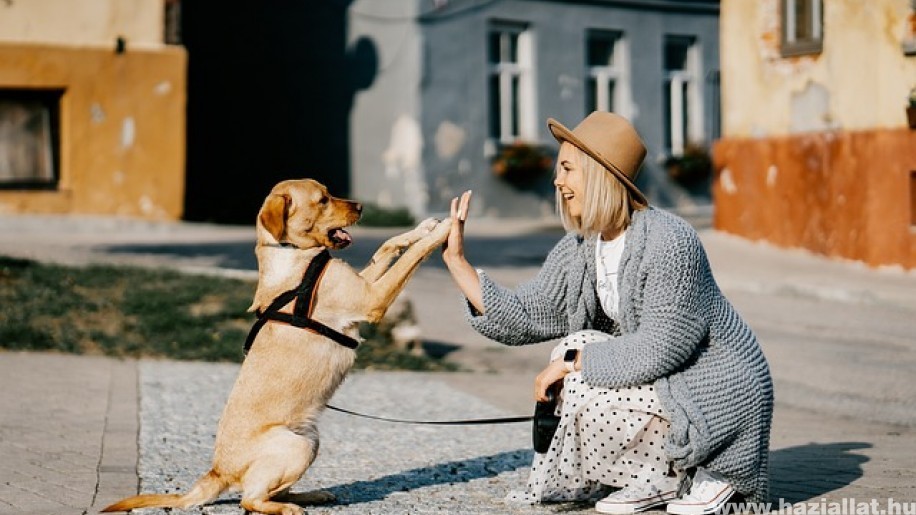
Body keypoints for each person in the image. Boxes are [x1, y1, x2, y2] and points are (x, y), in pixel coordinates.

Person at [441, 112, 773, 515]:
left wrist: (570, 365)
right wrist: (458, 263)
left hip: (717, 389)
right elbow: (528, 313)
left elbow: (660, 348)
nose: (557, 181)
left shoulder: (670, 241)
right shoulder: (583, 246)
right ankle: (654, 479)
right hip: (668, 382)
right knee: (575, 346)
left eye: (567, 169)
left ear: (599, 173)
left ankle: (713, 472)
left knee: (577, 361)